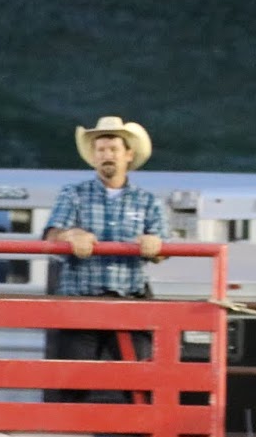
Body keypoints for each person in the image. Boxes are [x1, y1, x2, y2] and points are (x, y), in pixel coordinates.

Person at [42, 115, 166, 403]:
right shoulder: (73, 194)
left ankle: (139, 430)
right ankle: (69, 431)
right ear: (94, 156)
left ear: (128, 155)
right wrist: (70, 235)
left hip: (129, 300)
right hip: (81, 301)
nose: (106, 155)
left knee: (139, 383)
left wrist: (155, 244)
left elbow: (162, 248)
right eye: (100, 150)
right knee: (72, 384)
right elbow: (51, 235)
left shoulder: (148, 201)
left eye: (113, 149)